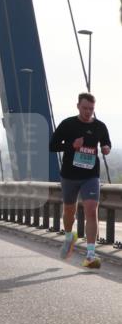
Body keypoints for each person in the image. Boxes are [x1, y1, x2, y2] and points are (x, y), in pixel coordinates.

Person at [49, 92, 111, 269]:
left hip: (91, 176)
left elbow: (106, 143)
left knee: (92, 210)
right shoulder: (67, 124)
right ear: (78, 106)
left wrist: (106, 148)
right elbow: (52, 146)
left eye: (91, 109)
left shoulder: (100, 126)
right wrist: (71, 146)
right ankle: (69, 237)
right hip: (69, 175)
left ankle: (90, 254)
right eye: (85, 108)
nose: (88, 112)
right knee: (69, 211)